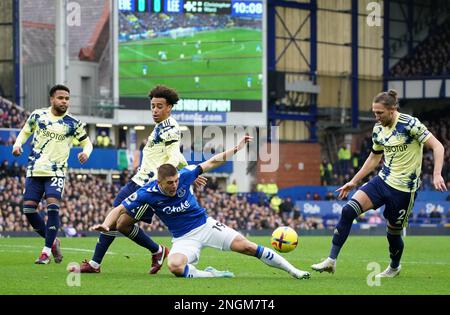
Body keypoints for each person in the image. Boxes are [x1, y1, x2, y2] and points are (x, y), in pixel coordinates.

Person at [93, 136, 310, 280]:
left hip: (206, 226)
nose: (175, 185)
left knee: (248, 247)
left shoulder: (185, 175)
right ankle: (212, 275)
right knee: (175, 267)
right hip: (183, 238)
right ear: (159, 183)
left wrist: (235, 149)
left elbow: (212, 162)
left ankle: (294, 271)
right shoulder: (147, 193)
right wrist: (105, 224)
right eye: (170, 183)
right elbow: (119, 209)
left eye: (176, 181)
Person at [311, 89, 446, 278]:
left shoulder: (410, 124)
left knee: (393, 233)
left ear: (392, 110)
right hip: (382, 181)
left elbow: (438, 146)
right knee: (348, 210)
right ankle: (331, 260)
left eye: (380, 113)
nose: (377, 117)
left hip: (404, 190)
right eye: (374, 113)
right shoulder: (378, 129)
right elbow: (374, 158)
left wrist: (437, 173)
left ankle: (394, 267)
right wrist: (353, 181)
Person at [76, 85, 206, 274]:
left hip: (148, 185)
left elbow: (172, 157)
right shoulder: (160, 127)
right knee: (122, 224)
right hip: (137, 180)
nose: (155, 110)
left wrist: (166, 180)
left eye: (159, 106)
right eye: (153, 106)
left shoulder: (170, 129)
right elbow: (177, 155)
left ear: (169, 107)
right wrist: (190, 171)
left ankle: (95, 264)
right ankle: (158, 250)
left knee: (116, 220)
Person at [12, 84, 93, 264]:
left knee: (53, 207)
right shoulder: (38, 115)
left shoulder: (73, 123)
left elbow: (88, 143)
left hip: (56, 172)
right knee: (28, 209)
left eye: (66, 98)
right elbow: (25, 132)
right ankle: (53, 241)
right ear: (52, 99)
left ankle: (46, 252)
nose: (64, 101)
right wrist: (17, 145)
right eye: (60, 98)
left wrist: (85, 153)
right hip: (35, 170)